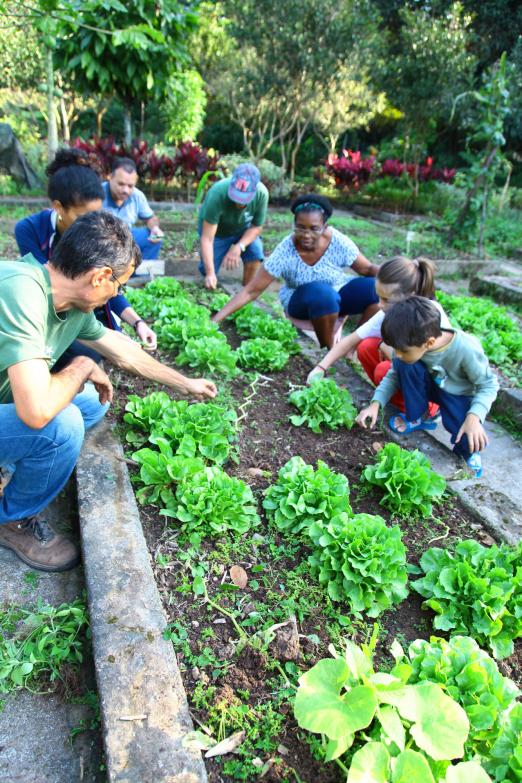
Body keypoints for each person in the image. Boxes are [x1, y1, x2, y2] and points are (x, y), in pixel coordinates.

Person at [0, 211, 217, 573]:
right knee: (62, 426)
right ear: (100, 276)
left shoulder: (66, 303)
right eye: (119, 285)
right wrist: (83, 366)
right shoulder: (21, 292)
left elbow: (123, 351)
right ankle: (11, 520)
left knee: (89, 404)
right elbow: (36, 411)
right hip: (22, 406)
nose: (117, 294)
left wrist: (187, 384)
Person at [15, 148, 157, 356]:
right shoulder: (29, 230)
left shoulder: (94, 231)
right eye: (83, 216)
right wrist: (104, 339)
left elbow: (109, 282)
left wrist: (138, 323)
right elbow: (48, 293)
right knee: (87, 356)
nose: (92, 224)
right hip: (55, 314)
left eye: (97, 214)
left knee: (107, 350)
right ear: (58, 207)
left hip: (88, 306)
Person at [356, 296, 499, 477]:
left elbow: (489, 385)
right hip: (433, 386)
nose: (397, 354)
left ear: (429, 343)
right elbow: (393, 375)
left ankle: (469, 454)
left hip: (459, 395)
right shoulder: (414, 345)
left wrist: (474, 416)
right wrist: (375, 403)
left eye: (403, 350)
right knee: (403, 365)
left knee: (464, 430)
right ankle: (418, 417)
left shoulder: (466, 348)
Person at [212, 194, 379, 348]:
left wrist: (401, 277)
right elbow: (251, 291)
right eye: (301, 227)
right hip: (300, 300)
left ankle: (353, 346)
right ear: (294, 225)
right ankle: (329, 350)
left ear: (324, 226)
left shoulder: (338, 241)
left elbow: (368, 268)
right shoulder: (285, 251)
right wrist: (216, 319)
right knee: (324, 294)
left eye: (314, 228)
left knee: (377, 289)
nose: (306, 234)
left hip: (337, 291)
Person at [306, 256, 449, 418]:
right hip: (407, 369)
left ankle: (424, 411)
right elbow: (351, 339)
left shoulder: (429, 315)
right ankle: (389, 399)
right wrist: (320, 368)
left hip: (433, 380)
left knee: (383, 370)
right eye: (378, 296)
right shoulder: (390, 311)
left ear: (411, 294)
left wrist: (386, 347)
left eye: (386, 299)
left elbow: (433, 365)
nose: (380, 304)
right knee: (366, 346)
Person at [199, 163, 269, 289]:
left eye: (244, 199)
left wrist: (239, 247)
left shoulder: (262, 194)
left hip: (243, 229)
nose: (239, 202)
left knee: (255, 253)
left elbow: (256, 227)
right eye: (236, 196)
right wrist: (210, 273)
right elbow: (207, 239)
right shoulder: (218, 193)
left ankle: (246, 292)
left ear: (254, 189)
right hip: (218, 232)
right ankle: (210, 275)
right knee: (207, 269)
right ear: (232, 183)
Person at [102, 156, 164, 265]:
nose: (125, 190)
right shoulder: (97, 194)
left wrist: (155, 228)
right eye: (121, 184)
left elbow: (150, 218)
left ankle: (138, 275)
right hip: (101, 240)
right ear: (110, 177)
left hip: (126, 237)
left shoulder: (137, 196)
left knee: (154, 238)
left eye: (130, 186)